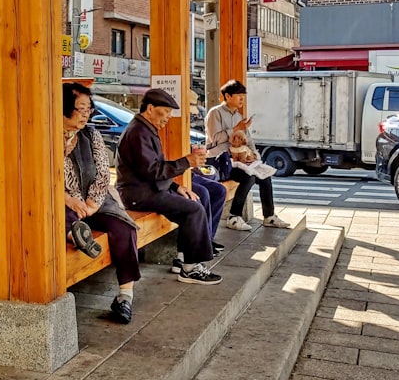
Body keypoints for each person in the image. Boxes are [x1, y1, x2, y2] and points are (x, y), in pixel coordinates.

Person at [116, 88, 222, 285]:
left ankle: (184, 257)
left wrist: (175, 187)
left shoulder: (146, 129)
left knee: (198, 195)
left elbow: (153, 170)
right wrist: (187, 162)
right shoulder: (138, 132)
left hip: (148, 188)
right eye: (165, 112)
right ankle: (190, 268)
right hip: (138, 194)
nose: (168, 118)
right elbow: (152, 171)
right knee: (193, 209)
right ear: (150, 109)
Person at [63, 82, 141, 324]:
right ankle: (74, 233)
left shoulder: (91, 134)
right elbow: (43, 176)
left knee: (124, 227)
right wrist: (69, 200)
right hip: (63, 202)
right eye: (80, 109)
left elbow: (102, 175)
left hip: (93, 202)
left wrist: (91, 204)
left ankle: (125, 296)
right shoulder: (46, 136)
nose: (86, 114)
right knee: (64, 218)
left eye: (88, 109)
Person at [205, 79, 290, 231]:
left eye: (243, 96)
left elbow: (249, 140)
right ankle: (233, 217)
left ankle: (269, 216)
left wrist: (256, 156)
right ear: (227, 96)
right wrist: (235, 129)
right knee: (248, 177)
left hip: (240, 160)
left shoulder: (239, 116)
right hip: (220, 161)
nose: (242, 99)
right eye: (239, 96)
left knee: (264, 175)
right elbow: (214, 139)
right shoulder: (215, 113)